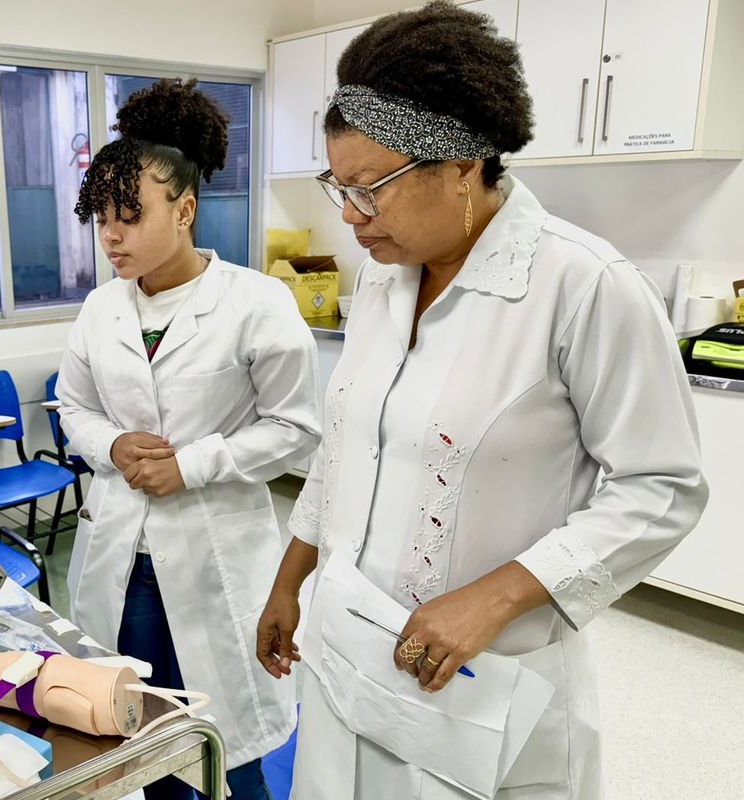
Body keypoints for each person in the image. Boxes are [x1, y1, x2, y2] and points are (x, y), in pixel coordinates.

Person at [255, 4, 708, 799]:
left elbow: (662, 486)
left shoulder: (582, 286)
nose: (349, 216)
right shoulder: (384, 280)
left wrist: (495, 597)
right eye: (339, 185)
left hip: (487, 685)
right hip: (350, 654)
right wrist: (293, 576)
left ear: (463, 165)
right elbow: (348, 444)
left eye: (372, 188)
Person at [58, 79, 321, 800]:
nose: (110, 235)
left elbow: (298, 430)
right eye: (101, 217)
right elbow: (72, 407)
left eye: (129, 216)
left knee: (225, 742)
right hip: (120, 551)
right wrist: (111, 446)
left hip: (216, 552)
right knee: (142, 733)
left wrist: (197, 465)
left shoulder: (256, 304)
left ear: (185, 209)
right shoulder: (98, 308)